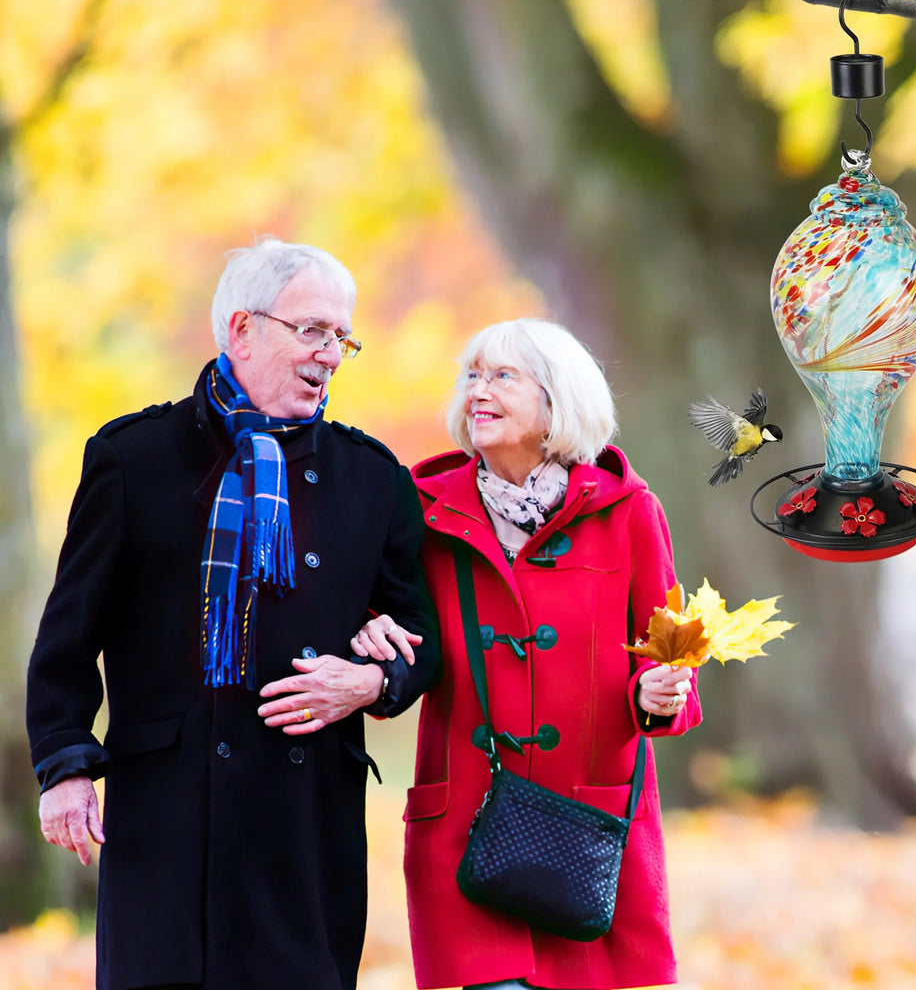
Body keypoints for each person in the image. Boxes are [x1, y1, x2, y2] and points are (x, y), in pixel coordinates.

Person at [25, 236, 440, 990]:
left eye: (342, 337)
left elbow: (420, 639)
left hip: (305, 823)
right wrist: (64, 766)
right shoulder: (133, 458)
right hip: (167, 818)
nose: (332, 354)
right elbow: (67, 635)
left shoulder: (373, 479)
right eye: (312, 330)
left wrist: (370, 683)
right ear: (242, 330)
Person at [391, 317, 702, 990]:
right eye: (471, 375)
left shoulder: (628, 511)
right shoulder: (423, 511)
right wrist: (370, 633)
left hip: (587, 831)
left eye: (502, 375)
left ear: (557, 399)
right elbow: (390, 622)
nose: (478, 390)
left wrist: (655, 690)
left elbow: (670, 648)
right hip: (468, 822)